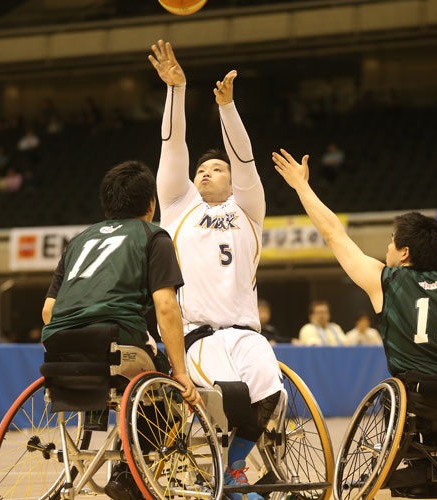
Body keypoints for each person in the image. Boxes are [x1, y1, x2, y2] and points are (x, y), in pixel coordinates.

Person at [149, 39, 282, 500]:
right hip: (198, 335)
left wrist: (227, 109)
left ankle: (236, 467)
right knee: (233, 396)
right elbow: (172, 146)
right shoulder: (178, 204)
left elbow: (245, 159)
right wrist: (177, 90)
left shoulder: (249, 208)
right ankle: (230, 471)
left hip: (246, 332)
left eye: (215, 168)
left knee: (271, 392)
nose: (206, 171)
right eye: (202, 168)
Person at [272, 149, 437, 377]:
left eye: (392, 242)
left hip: (420, 397)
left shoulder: (386, 281)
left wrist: (301, 186)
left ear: (405, 252)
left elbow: (334, 234)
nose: (388, 248)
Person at [41, 160, 201, 500]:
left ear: (107, 203)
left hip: (58, 348)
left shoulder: (78, 240)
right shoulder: (153, 236)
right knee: (166, 391)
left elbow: (48, 311)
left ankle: (98, 419)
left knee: (111, 369)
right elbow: (166, 308)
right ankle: (129, 475)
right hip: (115, 341)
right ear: (150, 204)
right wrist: (181, 373)